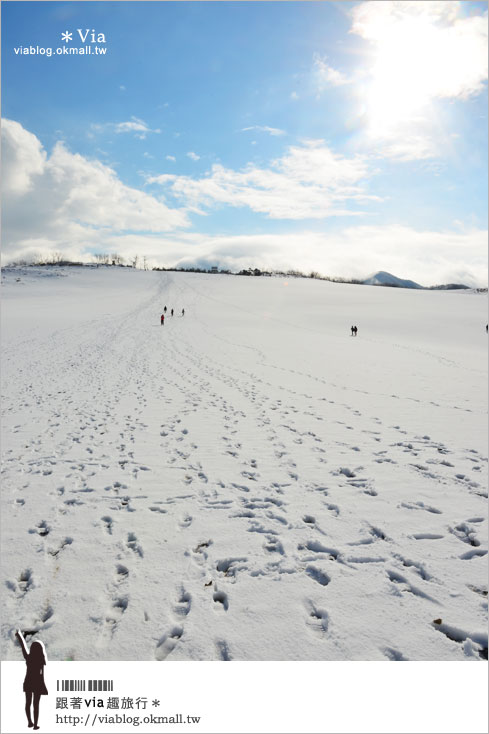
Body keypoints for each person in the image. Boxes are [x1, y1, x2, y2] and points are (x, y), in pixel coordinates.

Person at [16, 630, 48, 731]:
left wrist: (19, 635)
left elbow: (23, 646)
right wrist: (43, 687)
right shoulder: (41, 661)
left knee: (28, 703)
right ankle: (35, 725)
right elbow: (42, 676)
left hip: (28, 683)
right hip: (37, 684)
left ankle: (30, 721)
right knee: (36, 705)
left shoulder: (29, 658)